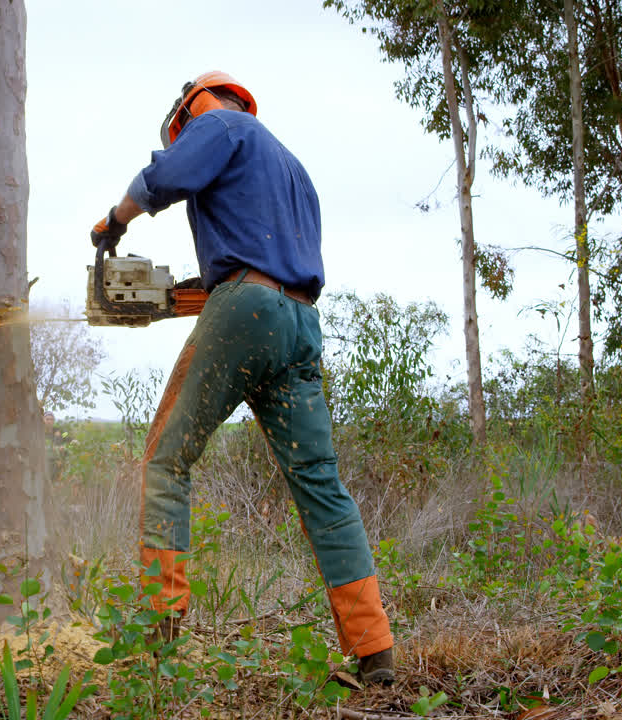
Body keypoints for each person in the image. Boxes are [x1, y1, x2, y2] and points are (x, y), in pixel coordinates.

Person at [89, 71, 394, 685]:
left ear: (190, 112)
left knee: (165, 460)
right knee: (322, 488)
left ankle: (158, 637)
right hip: (300, 323)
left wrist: (115, 223)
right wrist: (169, 300)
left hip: (248, 314)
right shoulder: (292, 167)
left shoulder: (220, 124)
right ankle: (375, 652)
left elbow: (165, 178)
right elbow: (266, 263)